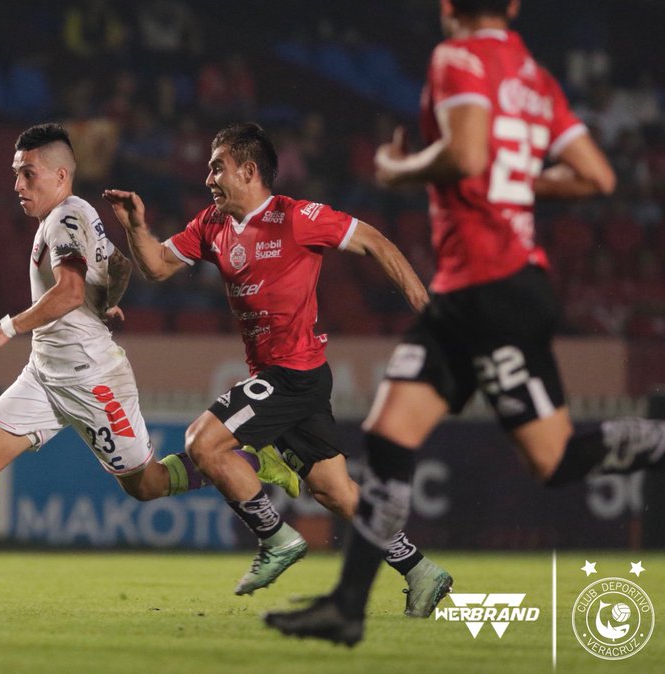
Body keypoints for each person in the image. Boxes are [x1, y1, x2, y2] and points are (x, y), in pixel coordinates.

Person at [265, 0, 665, 646]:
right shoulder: (535, 78)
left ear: (448, 8)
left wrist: (401, 169)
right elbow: (597, 175)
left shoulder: (456, 58)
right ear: (512, 7)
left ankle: (346, 604)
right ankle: (346, 606)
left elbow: (467, 153)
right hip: (484, 291)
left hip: (488, 286)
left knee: (551, 456)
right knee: (393, 437)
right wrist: (516, 181)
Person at [0, 123, 293, 614]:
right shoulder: (70, 218)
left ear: (61, 174)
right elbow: (119, 269)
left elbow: (66, 291)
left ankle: (258, 459)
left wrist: (4, 328)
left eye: (28, 174)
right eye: (15, 174)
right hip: (45, 373)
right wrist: (105, 302)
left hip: (92, 380)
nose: (18, 185)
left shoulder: (68, 217)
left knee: (146, 485)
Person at [102, 121, 452, 616]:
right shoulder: (212, 225)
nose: (208, 178)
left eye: (216, 167)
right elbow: (157, 266)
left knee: (203, 441)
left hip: (295, 375)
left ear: (248, 170)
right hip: (281, 377)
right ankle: (420, 570)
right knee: (335, 491)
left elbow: (374, 240)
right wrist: (135, 226)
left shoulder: (298, 216)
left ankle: (275, 537)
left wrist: (424, 306)